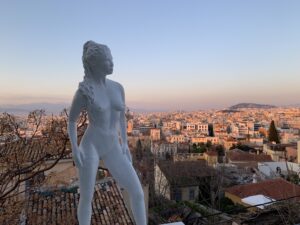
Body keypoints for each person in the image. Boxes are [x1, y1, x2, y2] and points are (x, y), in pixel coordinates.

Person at [68, 40, 147, 225]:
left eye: (111, 59)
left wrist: (125, 143)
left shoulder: (118, 87)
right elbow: (71, 120)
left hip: (113, 145)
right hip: (91, 146)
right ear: (94, 64)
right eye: (107, 60)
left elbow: (121, 118)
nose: (112, 63)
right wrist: (74, 148)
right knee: (87, 197)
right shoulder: (84, 91)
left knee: (136, 191)